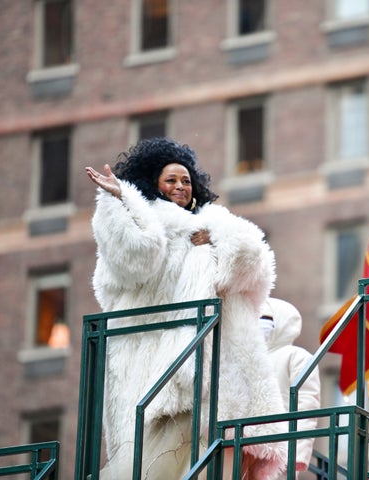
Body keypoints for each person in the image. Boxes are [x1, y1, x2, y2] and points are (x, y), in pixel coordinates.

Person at [86, 137, 286, 479]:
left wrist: (218, 235)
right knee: (152, 463)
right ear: (152, 183)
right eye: (170, 180)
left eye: (186, 181)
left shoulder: (213, 225)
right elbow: (136, 258)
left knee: (216, 458)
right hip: (155, 367)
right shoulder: (142, 224)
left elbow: (255, 267)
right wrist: (122, 200)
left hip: (217, 371)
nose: (180, 186)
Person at [259, 297, 321, 478]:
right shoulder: (248, 360)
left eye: (266, 319)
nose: (258, 324)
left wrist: (298, 453)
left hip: (281, 449)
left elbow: (307, 404)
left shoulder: (296, 357)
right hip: (245, 445)